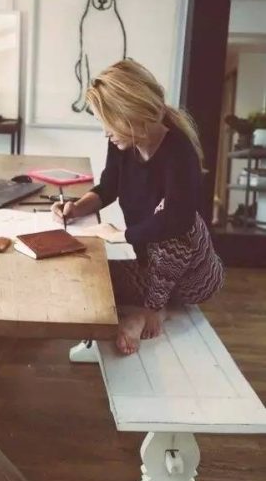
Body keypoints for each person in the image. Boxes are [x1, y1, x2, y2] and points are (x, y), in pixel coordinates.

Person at [52, 58, 224, 355]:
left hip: (194, 275)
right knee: (95, 280)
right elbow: (109, 187)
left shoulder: (178, 151)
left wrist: (120, 234)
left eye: (107, 122)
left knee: (170, 232)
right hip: (151, 266)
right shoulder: (123, 140)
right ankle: (154, 309)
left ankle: (152, 310)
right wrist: (77, 207)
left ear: (130, 114)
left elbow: (178, 222)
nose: (105, 132)